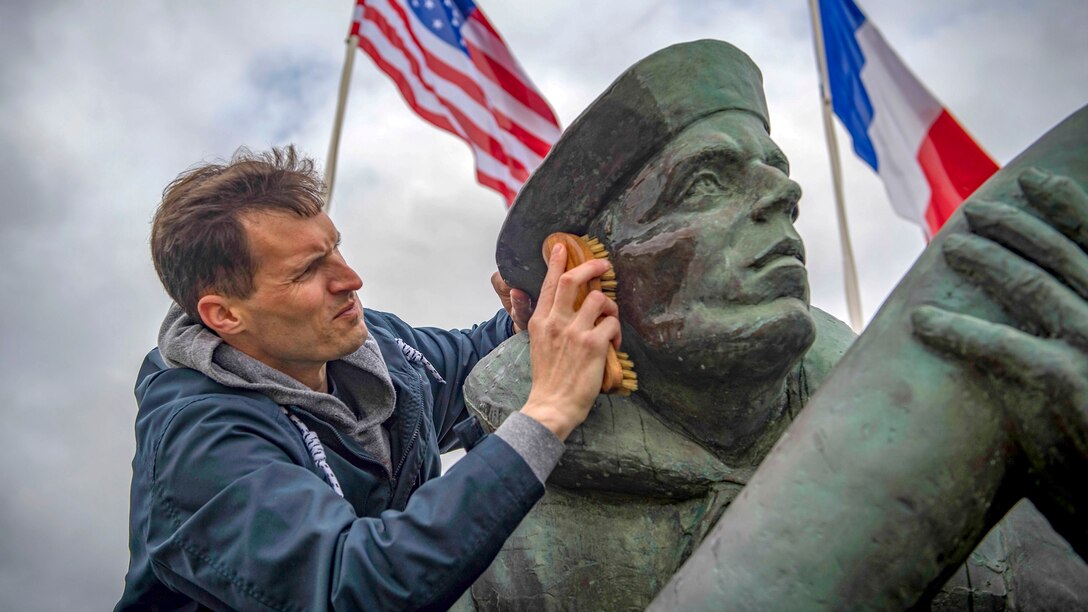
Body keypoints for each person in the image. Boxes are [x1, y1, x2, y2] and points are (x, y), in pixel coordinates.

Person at [458, 40, 1088, 610]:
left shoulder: (972, 425)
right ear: (593, 270)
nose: (784, 194)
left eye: (774, 169)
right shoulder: (498, 542)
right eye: (705, 182)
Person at [116, 146, 623, 610]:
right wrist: (549, 412)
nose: (351, 279)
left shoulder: (368, 346)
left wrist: (529, 311)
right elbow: (352, 587)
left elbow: (472, 361)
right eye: (308, 270)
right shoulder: (200, 442)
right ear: (224, 315)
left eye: (335, 247)